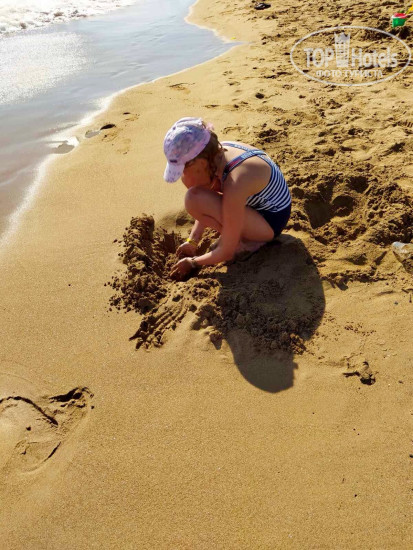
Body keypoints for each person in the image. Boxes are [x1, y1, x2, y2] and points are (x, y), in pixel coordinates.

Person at [163, 117, 291, 280]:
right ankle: (236, 231)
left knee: (193, 198)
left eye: (183, 171)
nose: (182, 177)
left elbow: (226, 252)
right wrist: (193, 240)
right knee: (196, 195)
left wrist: (193, 262)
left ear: (201, 164)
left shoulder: (235, 182)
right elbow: (207, 198)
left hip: (270, 222)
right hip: (255, 206)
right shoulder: (215, 154)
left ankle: (248, 241)